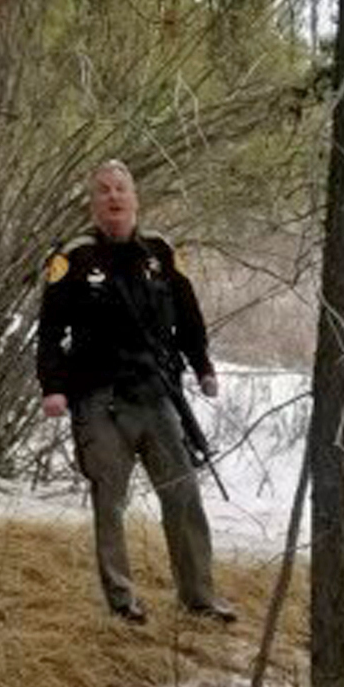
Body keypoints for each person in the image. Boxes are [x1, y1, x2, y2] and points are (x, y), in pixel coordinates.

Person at [37, 161, 235, 625]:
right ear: (93, 202)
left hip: (157, 393)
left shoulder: (160, 253)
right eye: (103, 191)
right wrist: (53, 388)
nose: (113, 197)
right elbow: (49, 332)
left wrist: (203, 366)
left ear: (135, 198)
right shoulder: (74, 258)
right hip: (99, 398)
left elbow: (189, 318)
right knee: (111, 500)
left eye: (121, 189)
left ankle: (199, 597)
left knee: (183, 493)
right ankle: (123, 602)